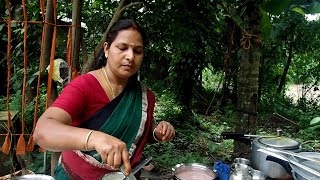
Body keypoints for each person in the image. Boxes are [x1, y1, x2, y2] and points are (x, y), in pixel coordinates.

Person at [33, 19, 175, 180]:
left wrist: (157, 131)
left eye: (137, 51)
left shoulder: (144, 95)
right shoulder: (84, 85)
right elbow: (42, 131)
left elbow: (141, 130)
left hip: (125, 176)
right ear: (106, 49)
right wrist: (94, 138)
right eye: (122, 48)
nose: (130, 56)